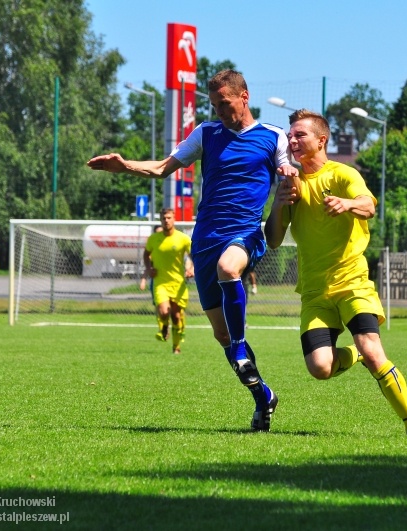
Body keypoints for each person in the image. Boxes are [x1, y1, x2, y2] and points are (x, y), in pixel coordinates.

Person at [88, 69, 298, 431]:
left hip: (246, 233)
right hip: (205, 240)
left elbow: (290, 172)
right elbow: (163, 168)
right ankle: (263, 397)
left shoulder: (272, 136)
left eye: (225, 103)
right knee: (221, 335)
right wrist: (124, 167)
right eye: (214, 105)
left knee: (229, 270)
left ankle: (241, 345)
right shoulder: (206, 133)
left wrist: (291, 177)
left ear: (244, 97)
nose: (219, 111)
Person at [264, 109, 407, 441]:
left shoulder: (342, 174)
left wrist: (347, 204)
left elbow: (369, 205)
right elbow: (273, 240)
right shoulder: (291, 184)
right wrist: (279, 204)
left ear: (321, 140)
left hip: (352, 284)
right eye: (290, 136)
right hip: (315, 292)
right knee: (320, 367)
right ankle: (355, 353)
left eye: (300, 135)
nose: (292, 141)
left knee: (374, 351)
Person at [141, 212, 193, 354]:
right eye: (163, 218)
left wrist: (191, 268)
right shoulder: (154, 239)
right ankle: (164, 327)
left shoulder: (183, 238)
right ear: (160, 220)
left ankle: (176, 347)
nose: (166, 220)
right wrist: (149, 268)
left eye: (169, 218)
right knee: (164, 312)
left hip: (178, 283)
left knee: (176, 316)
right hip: (160, 282)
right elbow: (146, 254)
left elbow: (193, 255)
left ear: (174, 219)